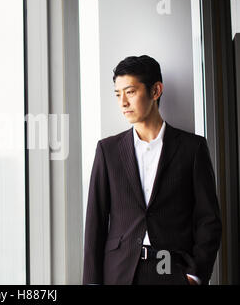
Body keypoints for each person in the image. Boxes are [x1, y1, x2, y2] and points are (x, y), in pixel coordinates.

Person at [82, 55, 222, 285]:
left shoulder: (192, 148)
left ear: (155, 91)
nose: (123, 102)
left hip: (171, 270)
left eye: (130, 92)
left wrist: (196, 276)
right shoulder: (107, 150)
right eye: (118, 94)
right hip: (119, 272)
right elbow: (95, 222)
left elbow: (209, 219)